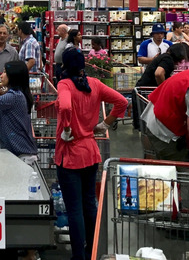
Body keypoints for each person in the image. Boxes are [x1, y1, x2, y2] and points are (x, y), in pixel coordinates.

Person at [55, 49, 129, 260]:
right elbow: (122, 101)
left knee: (74, 209)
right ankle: (93, 250)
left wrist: (67, 129)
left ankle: (78, 256)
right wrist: (105, 123)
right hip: (91, 153)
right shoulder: (94, 84)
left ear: (65, 66)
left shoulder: (65, 84)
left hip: (69, 156)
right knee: (89, 203)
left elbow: (66, 105)